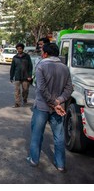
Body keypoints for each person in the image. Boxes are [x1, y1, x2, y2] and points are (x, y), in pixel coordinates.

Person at [26, 43, 73, 172]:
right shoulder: (65, 68)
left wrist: (53, 102)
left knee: (37, 134)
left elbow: (41, 88)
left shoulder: (41, 66)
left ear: (45, 53)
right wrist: (58, 101)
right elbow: (69, 89)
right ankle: (60, 165)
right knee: (59, 137)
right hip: (58, 108)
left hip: (42, 107)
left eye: (42, 51)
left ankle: (34, 160)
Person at [10, 43, 33, 107]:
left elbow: (30, 67)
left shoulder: (27, 56)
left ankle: (25, 99)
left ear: (23, 49)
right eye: (18, 49)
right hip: (17, 76)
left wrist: (30, 76)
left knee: (25, 90)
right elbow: (12, 68)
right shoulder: (15, 57)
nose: (19, 50)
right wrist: (11, 76)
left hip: (26, 76)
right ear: (16, 49)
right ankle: (17, 103)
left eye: (20, 48)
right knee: (17, 90)